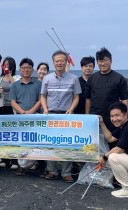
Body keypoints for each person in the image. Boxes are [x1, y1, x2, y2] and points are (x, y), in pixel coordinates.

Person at [41, 50, 81, 183]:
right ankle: (51, 171)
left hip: (66, 115)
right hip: (51, 115)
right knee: (50, 144)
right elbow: (43, 96)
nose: (59, 63)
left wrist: (71, 109)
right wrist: (45, 108)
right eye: (56, 61)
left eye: (61, 61)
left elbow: (76, 97)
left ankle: (66, 173)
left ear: (66, 62)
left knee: (67, 144)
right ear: (53, 62)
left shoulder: (74, 78)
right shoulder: (47, 78)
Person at [85, 47, 128, 149]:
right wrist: (87, 116)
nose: (102, 64)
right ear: (97, 62)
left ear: (111, 61)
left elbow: (125, 100)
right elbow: (88, 99)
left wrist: (125, 117)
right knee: (93, 147)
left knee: (113, 145)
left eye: (105, 60)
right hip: (95, 118)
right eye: (100, 61)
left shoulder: (119, 78)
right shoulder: (92, 78)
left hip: (113, 119)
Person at [9, 58, 42, 175]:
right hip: (20, 118)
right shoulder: (15, 85)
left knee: (37, 142)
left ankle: (40, 166)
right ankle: (22, 166)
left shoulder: (38, 83)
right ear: (20, 70)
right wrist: (23, 113)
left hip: (36, 117)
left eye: (28, 68)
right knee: (22, 142)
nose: (26, 70)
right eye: (23, 68)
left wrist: (32, 111)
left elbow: (41, 99)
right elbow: (13, 101)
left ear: (32, 69)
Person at [97, 102, 128, 198]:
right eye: (112, 116)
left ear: (126, 114)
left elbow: (119, 149)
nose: (114, 119)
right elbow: (110, 138)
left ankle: (126, 189)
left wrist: (104, 157)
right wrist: (101, 123)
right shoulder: (122, 127)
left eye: (117, 115)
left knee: (113, 157)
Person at [0, 57, 20, 169]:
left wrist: (9, 75)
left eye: (9, 65)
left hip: (13, 109)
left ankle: (14, 160)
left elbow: (16, 88)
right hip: (2, 108)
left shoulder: (16, 77)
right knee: (4, 135)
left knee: (14, 135)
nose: (6, 66)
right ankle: (4, 159)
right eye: (5, 64)